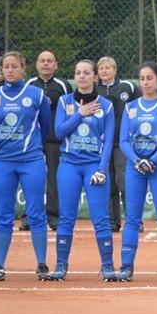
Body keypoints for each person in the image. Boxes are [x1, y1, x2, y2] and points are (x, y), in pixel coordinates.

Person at [42, 59, 117, 281]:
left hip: (94, 165)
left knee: (101, 217)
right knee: (66, 217)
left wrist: (102, 169)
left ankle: (108, 266)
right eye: (77, 73)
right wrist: (80, 113)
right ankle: (61, 266)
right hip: (69, 165)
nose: (81, 76)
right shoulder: (65, 102)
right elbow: (59, 132)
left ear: (95, 77)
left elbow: (109, 139)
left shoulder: (107, 105)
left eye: (86, 73)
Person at [113, 62, 157, 283]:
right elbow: (123, 140)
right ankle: (126, 267)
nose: (145, 82)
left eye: (150, 78)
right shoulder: (131, 107)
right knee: (132, 218)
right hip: (136, 167)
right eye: (142, 78)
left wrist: (151, 160)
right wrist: (137, 160)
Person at [0, 51, 51, 281]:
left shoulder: (36, 95)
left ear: (23, 68)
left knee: (35, 213)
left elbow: (45, 125)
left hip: (31, 161)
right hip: (3, 161)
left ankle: (42, 263)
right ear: (1, 70)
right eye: (6, 67)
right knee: (3, 213)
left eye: (15, 66)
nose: (10, 70)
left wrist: (31, 148)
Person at [28, 50, 73, 231]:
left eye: (49, 61)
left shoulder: (64, 85)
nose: (46, 64)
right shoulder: (29, 85)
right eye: (42, 61)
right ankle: (30, 217)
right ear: (37, 65)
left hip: (56, 140)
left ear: (56, 65)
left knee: (54, 178)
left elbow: (71, 112)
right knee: (32, 179)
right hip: (33, 141)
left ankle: (53, 216)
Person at [96, 56, 141, 232]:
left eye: (108, 68)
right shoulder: (93, 89)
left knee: (124, 181)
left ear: (115, 70)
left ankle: (134, 219)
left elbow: (139, 108)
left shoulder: (127, 87)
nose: (104, 71)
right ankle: (111, 221)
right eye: (101, 68)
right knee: (107, 181)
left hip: (123, 143)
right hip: (101, 144)